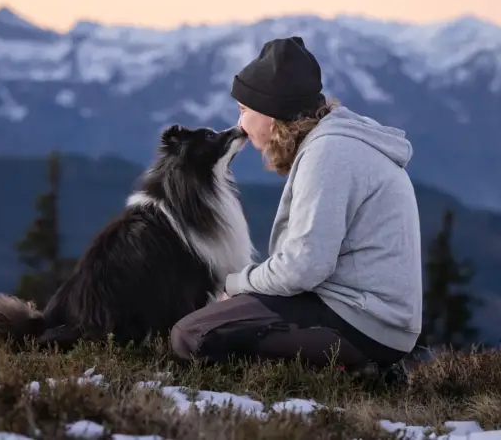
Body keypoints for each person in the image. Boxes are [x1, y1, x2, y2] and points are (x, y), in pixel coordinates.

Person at [169, 36, 423, 380]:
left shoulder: (328, 154)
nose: (240, 124)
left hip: (362, 323)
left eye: (245, 110)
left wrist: (237, 284)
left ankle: (353, 373)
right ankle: (353, 371)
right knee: (219, 321)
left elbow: (303, 267)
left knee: (193, 335)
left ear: (273, 113)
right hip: (369, 316)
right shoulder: (334, 144)